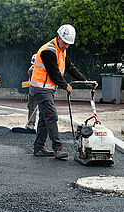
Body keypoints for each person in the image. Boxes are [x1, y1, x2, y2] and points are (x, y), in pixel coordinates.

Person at [29, 24, 88, 159]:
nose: (66, 46)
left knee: (44, 118)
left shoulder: (61, 50)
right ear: (59, 37)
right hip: (41, 89)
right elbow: (54, 73)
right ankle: (58, 148)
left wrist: (85, 81)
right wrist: (65, 85)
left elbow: (70, 68)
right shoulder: (48, 51)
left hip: (47, 89)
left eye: (68, 44)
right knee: (51, 116)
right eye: (65, 43)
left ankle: (39, 147)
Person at [27, 54, 37, 129]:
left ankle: (44, 126)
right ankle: (31, 124)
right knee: (32, 106)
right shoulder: (31, 70)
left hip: (40, 91)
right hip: (33, 91)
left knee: (45, 108)